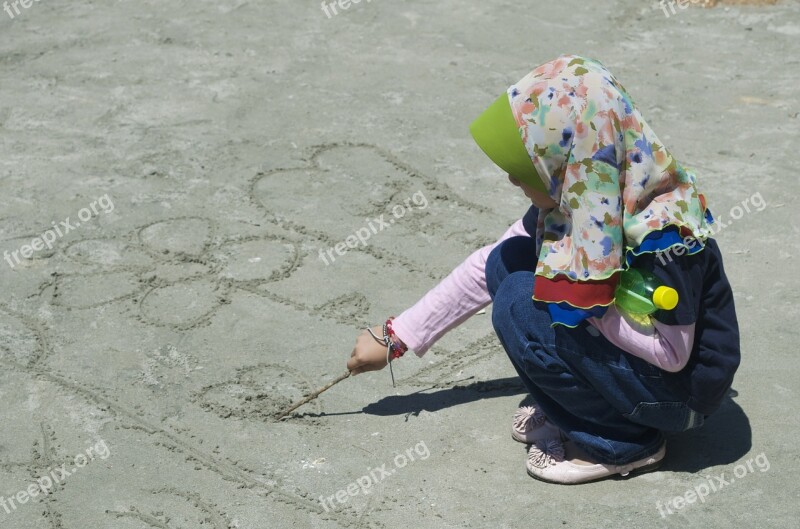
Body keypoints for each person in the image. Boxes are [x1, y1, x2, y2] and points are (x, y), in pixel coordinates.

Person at [346, 55, 740, 484]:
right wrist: (398, 336)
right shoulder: (584, 194)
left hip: (677, 396)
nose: (513, 181)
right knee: (508, 262)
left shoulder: (665, 239)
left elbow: (673, 354)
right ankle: (583, 401)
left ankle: (623, 440)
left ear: (569, 159)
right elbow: (487, 263)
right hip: (635, 365)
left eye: (524, 170)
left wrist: (590, 311)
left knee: (518, 305)